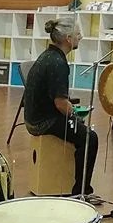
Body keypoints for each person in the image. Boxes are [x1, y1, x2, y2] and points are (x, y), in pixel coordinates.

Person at [23, 18, 99, 202]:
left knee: (80, 130)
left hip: (35, 116)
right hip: (43, 122)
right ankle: (81, 191)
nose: (81, 37)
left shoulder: (48, 56)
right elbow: (60, 103)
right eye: (78, 34)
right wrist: (76, 115)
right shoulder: (57, 63)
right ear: (67, 38)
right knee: (89, 137)